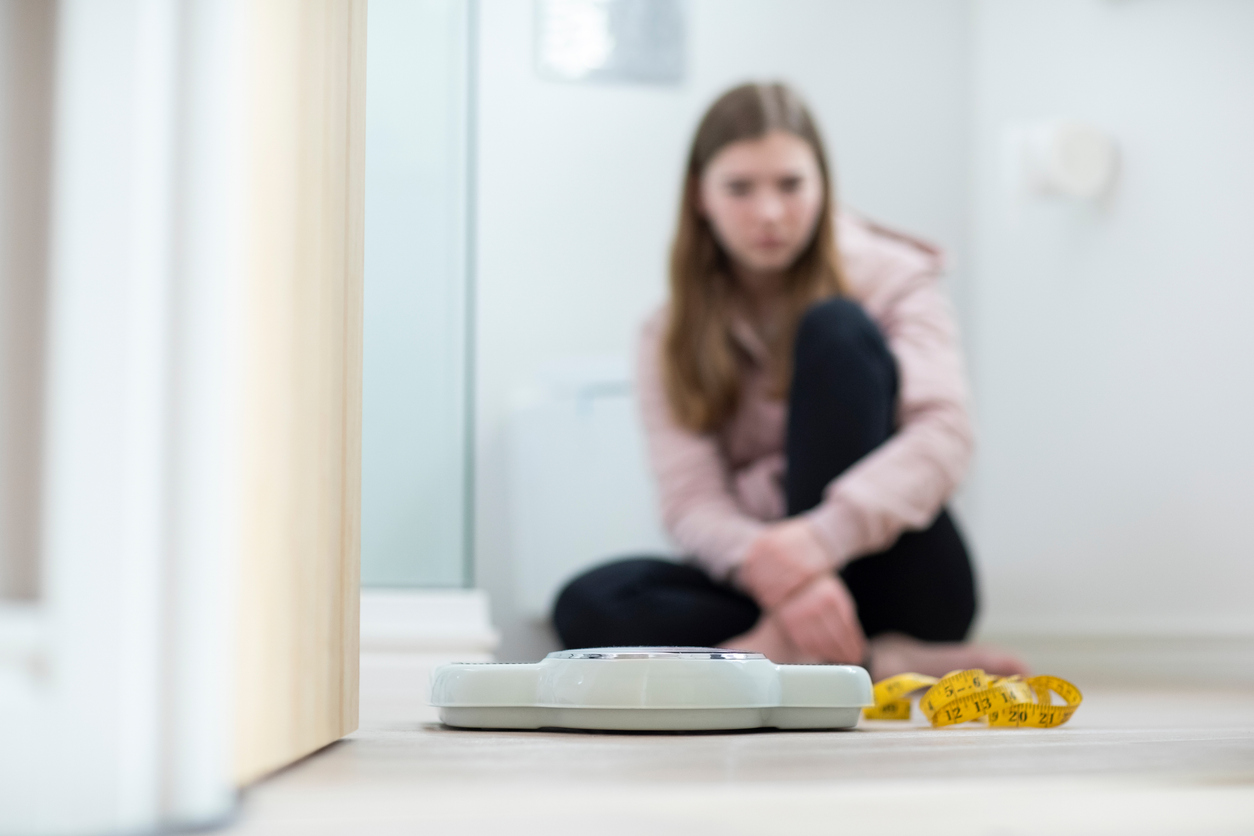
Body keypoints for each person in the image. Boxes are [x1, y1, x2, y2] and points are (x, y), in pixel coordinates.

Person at [552, 82, 1028, 681]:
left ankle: (770, 654)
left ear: (823, 184)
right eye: (741, 188)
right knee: (587, 605)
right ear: (701, 196)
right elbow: (691, 499)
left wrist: (820, 541)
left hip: (896, 575)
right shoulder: (666, 331)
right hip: (770, 579)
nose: (770, 212)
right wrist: (775, 571)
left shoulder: (894, 277)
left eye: (790, 185)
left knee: (836, 328)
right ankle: (870, 660)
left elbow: (946, 434)